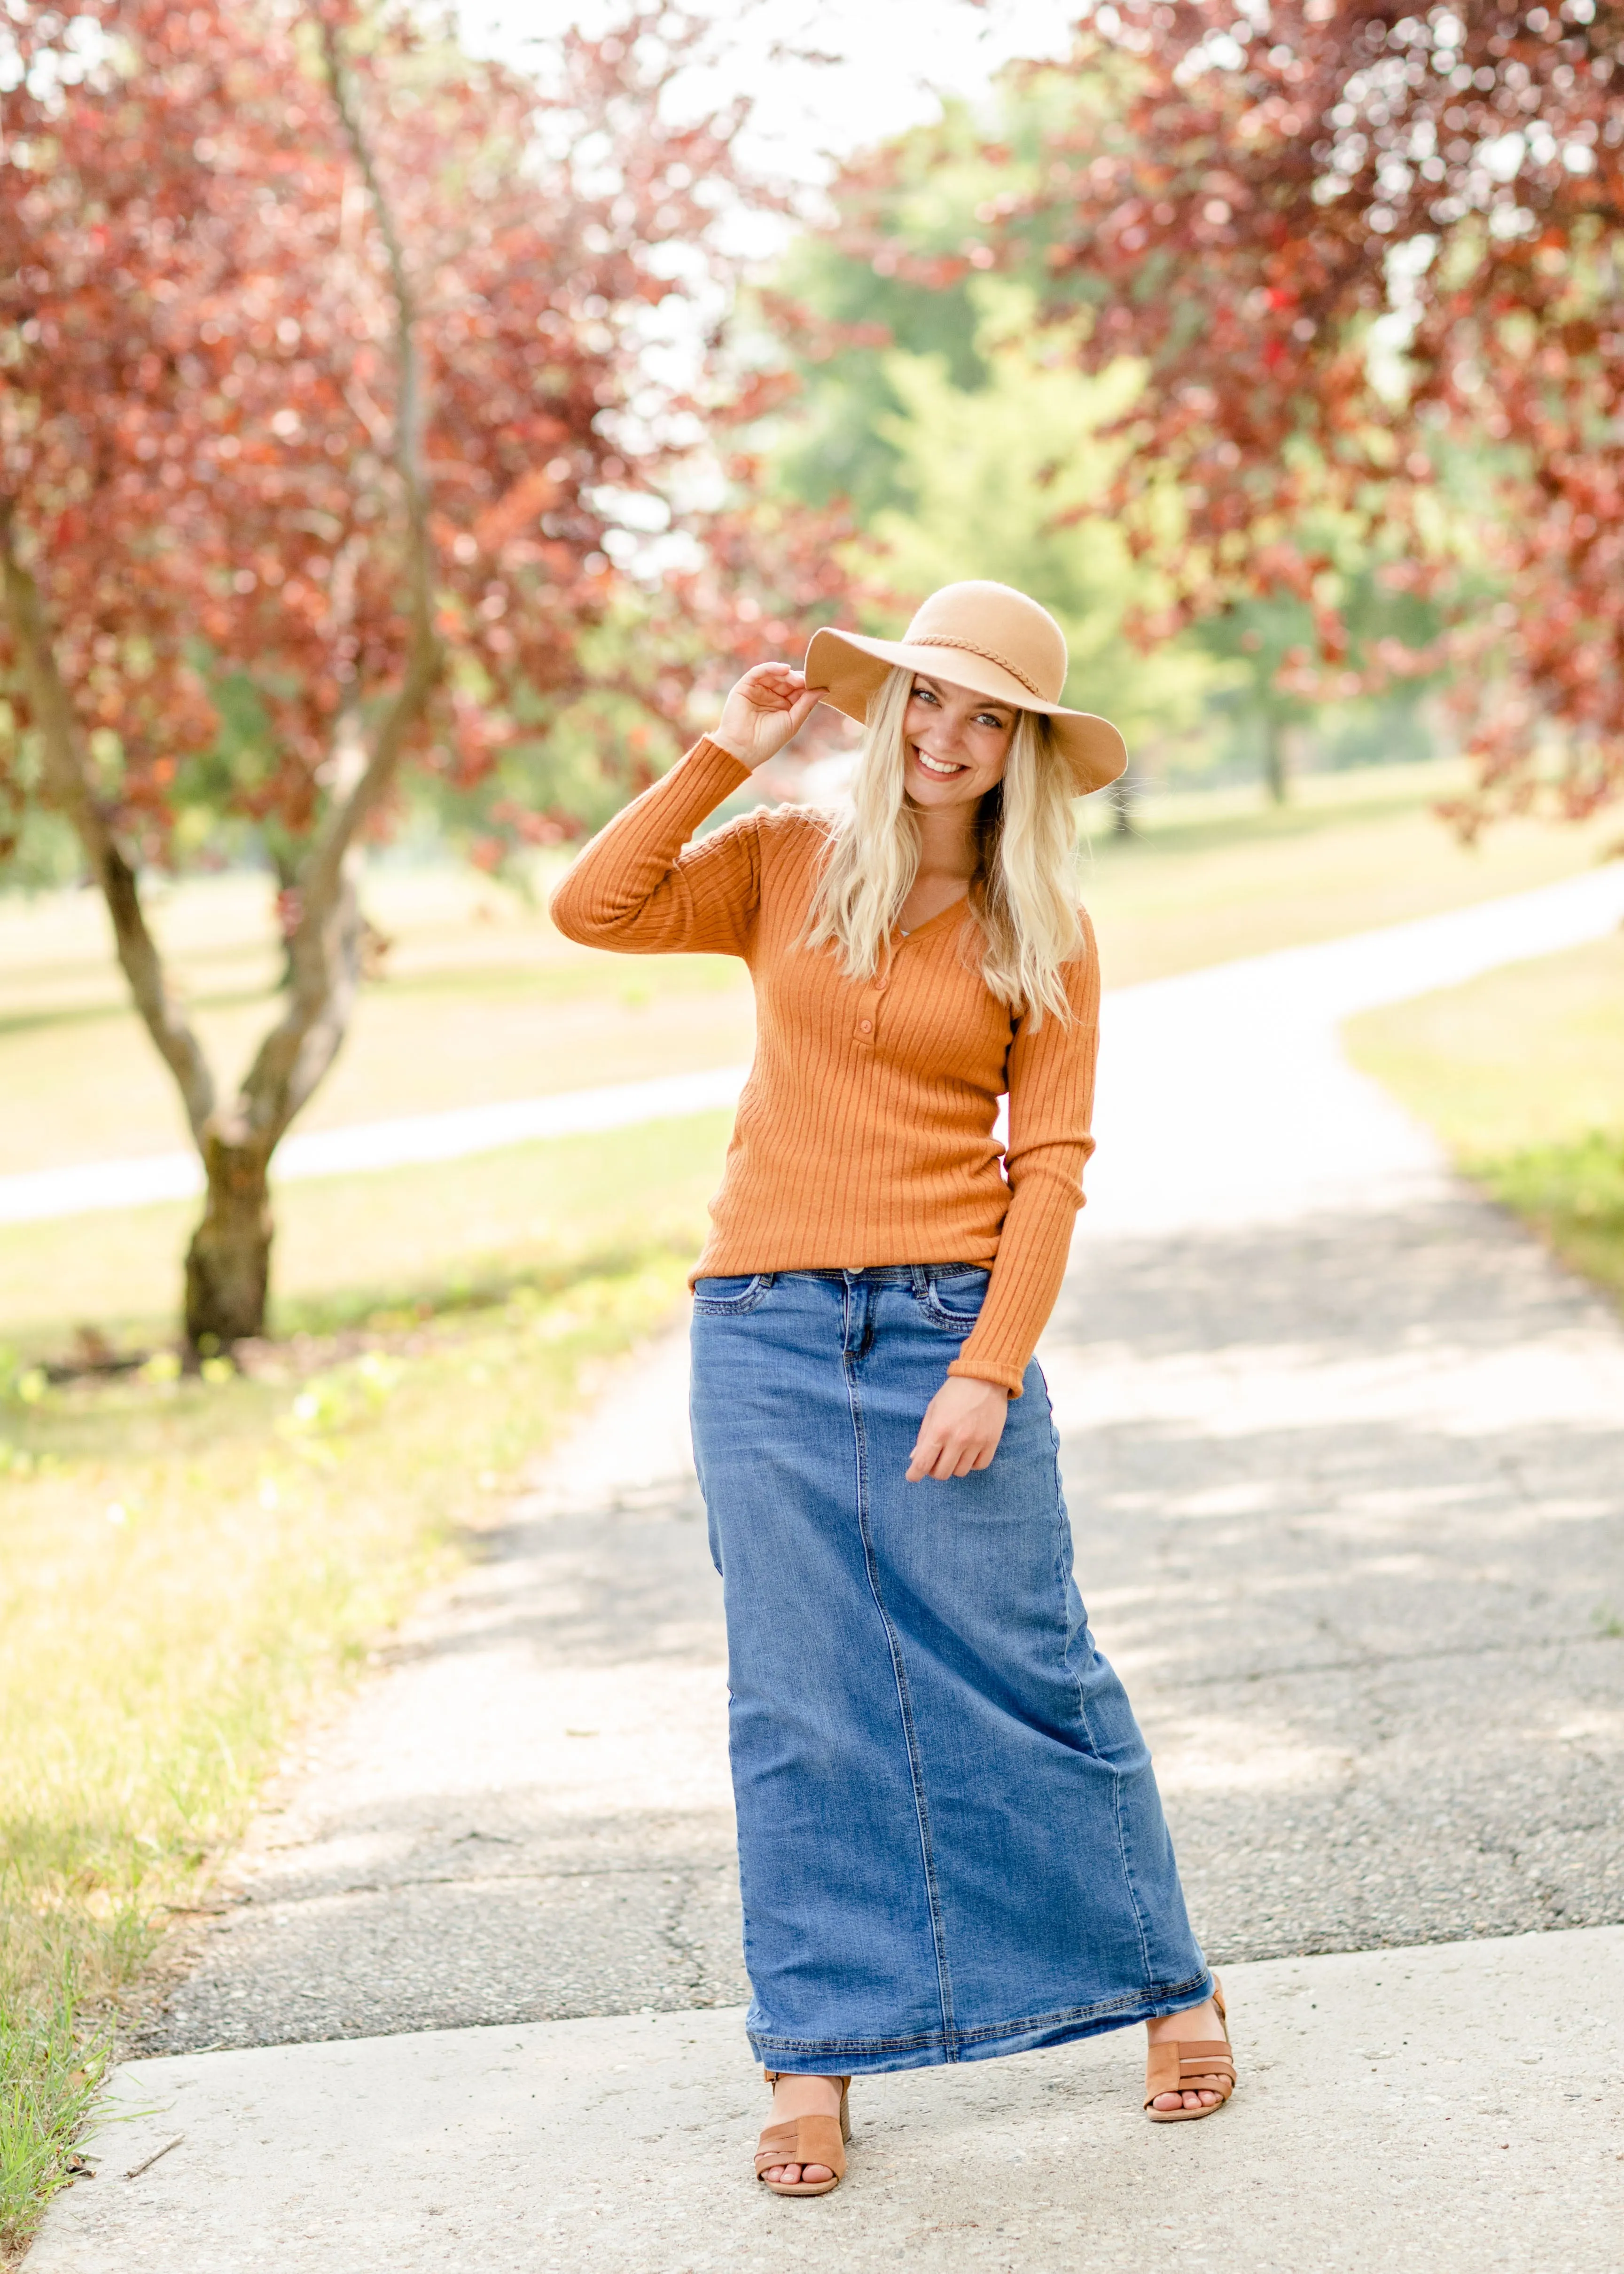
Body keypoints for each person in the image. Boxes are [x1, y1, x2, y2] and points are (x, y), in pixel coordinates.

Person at [550, 580, 1234, 2197]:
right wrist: (723, 750)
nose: (947, 736)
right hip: (763, 1331)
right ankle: (813, 2056)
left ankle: (1168, 1985)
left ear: (1026, 751)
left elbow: (1052, 1170)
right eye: (929, 699)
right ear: (888, 705)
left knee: (1034, 1671)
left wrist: (990, 1364)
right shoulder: (784, 862)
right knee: (799, 1696)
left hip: (943, 1324)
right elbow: (594, 907)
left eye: (988, 716)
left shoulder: (1043, 925)